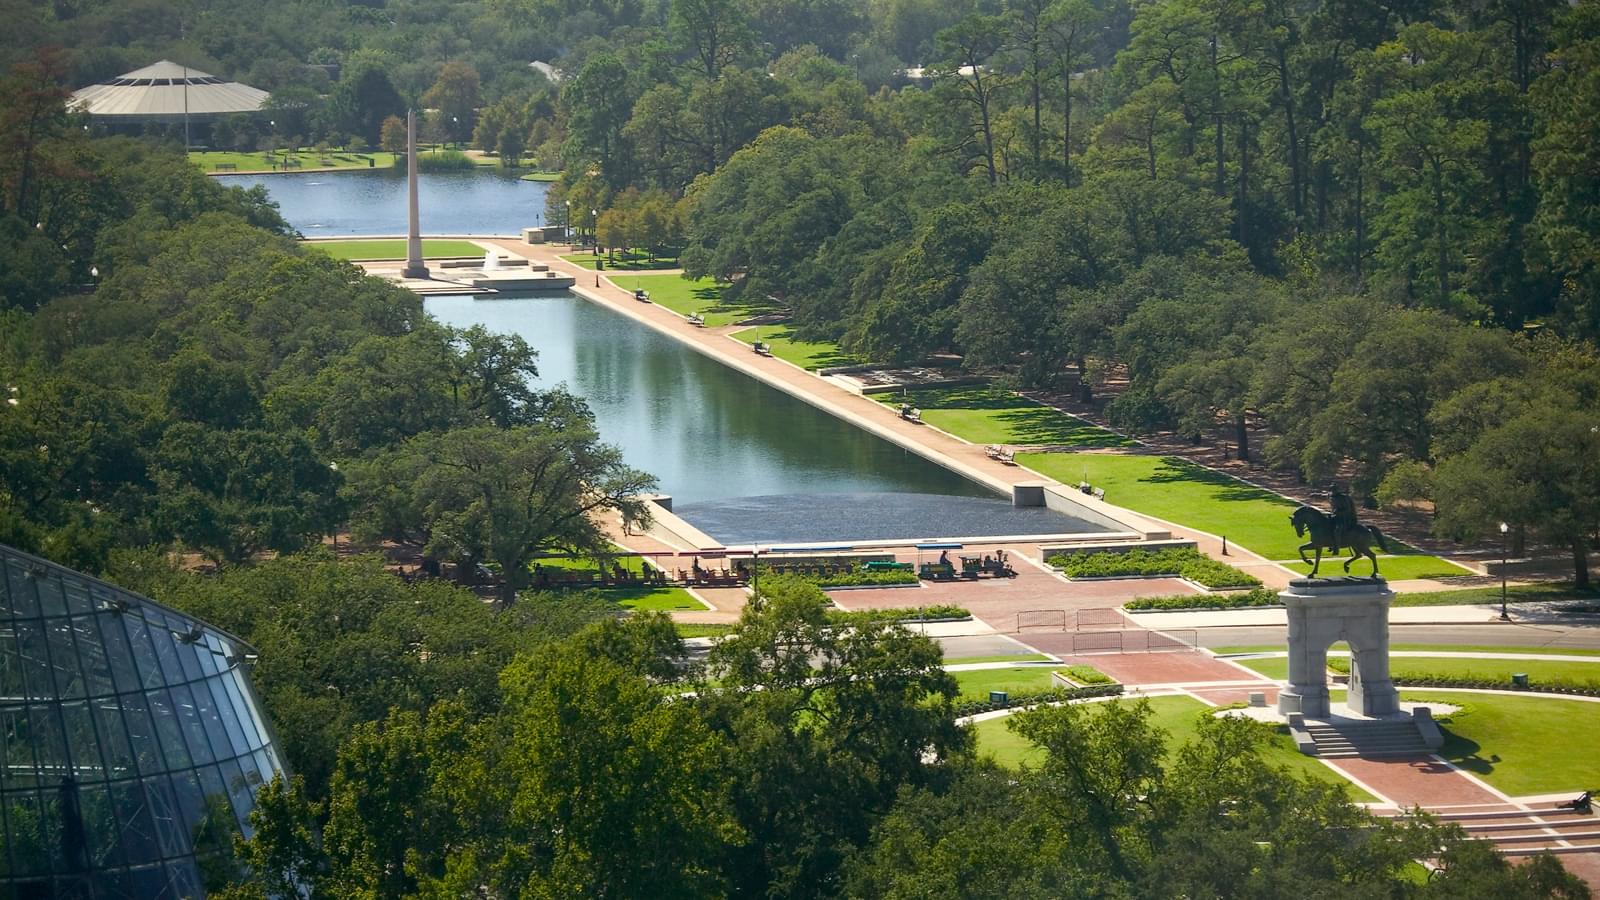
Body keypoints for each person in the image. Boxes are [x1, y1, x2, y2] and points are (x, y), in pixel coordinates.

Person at [1329, 484, 1358, 552]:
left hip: (1346, 517)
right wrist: (1332, 513)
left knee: (1337, 530)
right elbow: (1334, 508)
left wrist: (1338, 512)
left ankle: (1337, 547)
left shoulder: (1343, 498)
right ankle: (1330, 543)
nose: (1333, 492)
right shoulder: (1331, 497)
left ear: (1337, 490)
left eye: (1334, 490)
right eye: (1332, 490)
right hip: (1336, 516)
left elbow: (1348, 509)